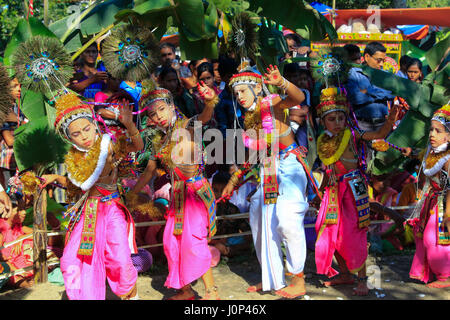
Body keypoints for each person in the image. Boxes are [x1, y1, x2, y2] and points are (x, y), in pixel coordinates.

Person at [221, 65, 320, 299]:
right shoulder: (249, 118)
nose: (240, 97)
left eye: (243, 91)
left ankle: (298, 279)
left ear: (257, 88)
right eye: (236, 94)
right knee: (258, 217)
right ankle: (270, 277)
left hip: (289, 167)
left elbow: (299, 97)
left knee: (286, 220)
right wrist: (233, 181)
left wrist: (282, 82)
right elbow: (254, 154)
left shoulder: (271, 103)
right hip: (268, 169)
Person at [40, 91, 144, 300]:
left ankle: (131, 296)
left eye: (86, 129)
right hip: (88, 212)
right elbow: (76, 185)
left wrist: (129, 125)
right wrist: (53, 177)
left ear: (94, 125)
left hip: (112, 209)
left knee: (121, 262)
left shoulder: (109, 144)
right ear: (68, 138)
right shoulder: (74, 158)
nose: (84, 136)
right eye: (76, 134)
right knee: (71, 260)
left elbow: (138, 146)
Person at [129, 84, 221, 300]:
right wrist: (132, 193)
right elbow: (150, 170)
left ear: (171, 106)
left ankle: (211, 291)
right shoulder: (159, 140)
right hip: (177, 198)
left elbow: (204, 117)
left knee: (194, 243)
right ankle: (185, 290)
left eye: (161, 109)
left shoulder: (186, 126)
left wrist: (210, 101)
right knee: (172, 243)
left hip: (195, 194)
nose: (158, 116)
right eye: (152, 113)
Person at [314, 87, 400, 296]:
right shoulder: (323, 141)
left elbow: (379, 134)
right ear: (323, 122)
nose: (337, 123)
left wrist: (389, 121)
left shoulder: (353, 135)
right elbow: (328, 170)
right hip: (333, 191)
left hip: (354, 188)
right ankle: (345, 273)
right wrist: (320, 191)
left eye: (341, 118)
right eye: (331, 119)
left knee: (354, 234)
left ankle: (362, 278)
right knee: (328, 230)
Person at [402, 104, 450, 288]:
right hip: (433, 200)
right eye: (431, 129)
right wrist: (411, 154)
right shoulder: (432, 151)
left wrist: (447, 215)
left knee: (433, 238)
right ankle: (429, 271)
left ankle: (445, 276)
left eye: (438, 131)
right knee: (423, 236)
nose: (432, 134)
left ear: (448, 136)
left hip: (444, 203)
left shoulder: (448, 158)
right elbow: (424, 162)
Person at [346, 42, 395, 132]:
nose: (381, 64)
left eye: (383, 61)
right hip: (362, 125)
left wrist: (367, 91)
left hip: (383, 123)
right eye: (378, 60)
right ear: (367, 57)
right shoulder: (354, 74)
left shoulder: (385, 75)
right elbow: (355, 98)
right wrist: (380, 92)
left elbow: (392, 94)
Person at [0, 193, 33, 289]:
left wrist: (20, 239)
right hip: (8, 264)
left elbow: (37, 234)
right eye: (19, 210)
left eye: (24, 209)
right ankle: (21, 282)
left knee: (31, 244)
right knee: (9, 272)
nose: (24, 212)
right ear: (8, 210)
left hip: (19, 261)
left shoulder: (19, 226)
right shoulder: (1, 229)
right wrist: (14, 269)